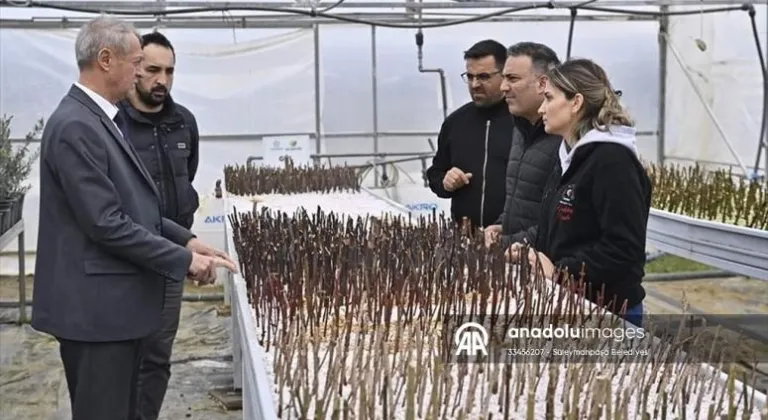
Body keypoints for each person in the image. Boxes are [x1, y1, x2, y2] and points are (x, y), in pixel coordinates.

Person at [31, 17, 237, 420]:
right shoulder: (76, 125)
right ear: (106, 60)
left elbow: (134, 208)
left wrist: (185, 240)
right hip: (96, 315)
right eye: (137, 62)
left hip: (114, 310)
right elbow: (107, 222)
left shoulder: (100, 119)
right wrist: (184, 261)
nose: (140, 73)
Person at [509, 58, 651, 326]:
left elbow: (623, 250)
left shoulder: (612, 161)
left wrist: (559, 271)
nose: (541, 108)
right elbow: (569, 230)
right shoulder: (569, 158)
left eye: (549, 98)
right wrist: (532, 253)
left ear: (576, 102)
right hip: (570, 301)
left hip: (607, 309)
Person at [117, 31, 200, 420]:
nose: (161, 80)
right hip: (129, 258)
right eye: (152, 70)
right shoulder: (114, 126)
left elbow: (190, 176)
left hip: (172, 260)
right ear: (135, 70)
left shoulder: (184, 122)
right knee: (125, 352)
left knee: (158, 353)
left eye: (169, 71)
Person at [425, 39, 515, 230]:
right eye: (470, 76)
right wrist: (445, 182)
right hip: (466, 238)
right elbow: (435, 173)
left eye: (483, 76)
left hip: (512, 239)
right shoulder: (456, 122)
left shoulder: (523, 121)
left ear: (504, 75)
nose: (475, 84)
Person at [484, 42, 562, 249]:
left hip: (548, 266)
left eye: (513, 79)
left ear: (543, 83)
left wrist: (508, 242)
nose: (503, 87)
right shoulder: (520, 129)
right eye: (503, 78)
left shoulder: (565, 139)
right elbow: (525, 200)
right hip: (519, 257)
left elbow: (563, 223)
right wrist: (502, 225)